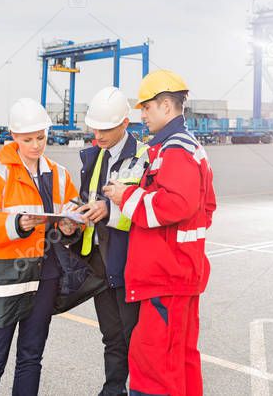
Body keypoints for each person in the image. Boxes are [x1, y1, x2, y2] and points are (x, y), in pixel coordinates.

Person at [103, 70, 217, 396]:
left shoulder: (175, 150)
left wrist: (127, 197)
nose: (142, 115)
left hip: (167, 277)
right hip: (177, 274)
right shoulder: (177, 148)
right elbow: (204, 208)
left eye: (146, 108)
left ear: (166, 106)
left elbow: (177, 204)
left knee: (154, 368)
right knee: (180, 363)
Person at [0, 97, 87, 396]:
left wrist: (71, 225)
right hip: (4, 279)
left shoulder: (59, 174)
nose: (35, 145)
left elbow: (71, 215)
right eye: (28, 138)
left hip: (44, 277)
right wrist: (17, 225)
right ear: (13, 136)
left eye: (41, 137)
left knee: (31, 358)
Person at [77, 87, 149, 396]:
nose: (99, 134)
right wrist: (74, 213)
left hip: (129, 261)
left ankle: (142, 390)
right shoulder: (94, 157)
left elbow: (149, 208)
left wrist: (110, 209)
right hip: (100, 263)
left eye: (106, 128)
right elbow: (87, 198)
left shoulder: (146, 156)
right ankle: (113, 389)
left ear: (125, 123)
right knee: (111, 336)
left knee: (135, 337)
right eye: (95, 127)